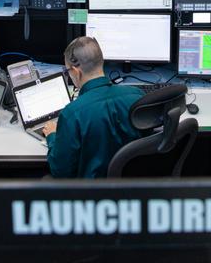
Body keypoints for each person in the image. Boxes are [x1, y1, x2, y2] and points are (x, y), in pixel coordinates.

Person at [40, 37, 145, 179]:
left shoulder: (72, 114)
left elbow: (60, 171)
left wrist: (52, 136)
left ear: (76, 72)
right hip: (133, 187)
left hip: (90, 194)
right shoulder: (137, 96)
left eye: (67, 72)